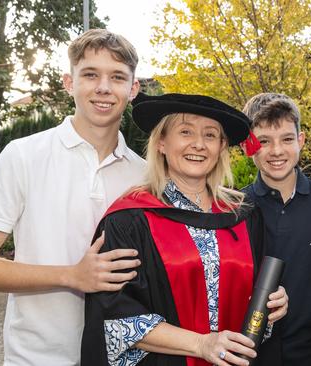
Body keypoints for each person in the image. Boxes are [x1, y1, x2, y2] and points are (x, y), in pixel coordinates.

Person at [0, 29, 145, 365]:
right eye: (90, 74)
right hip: (37, 358)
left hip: (125, 358)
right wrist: (70, 275)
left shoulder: (145, 176)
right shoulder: (23, 156)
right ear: (69, 83)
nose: (103, 87)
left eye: (117, 77)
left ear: (132, 89)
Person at [82, 92, 288, 366]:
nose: (199, 144)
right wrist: (201, 344)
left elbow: (256, 292)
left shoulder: (242, 214)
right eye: (186, 131)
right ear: (162, 143)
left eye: (211, 135)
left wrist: (273, 303)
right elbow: (116, 316)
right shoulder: (130, 219)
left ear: (222, 147)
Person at [242, 93, 311, 366]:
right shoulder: (233, 209)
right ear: (248, 146)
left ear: (301, 141)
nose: (276, 151)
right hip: (253, 356)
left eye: (287, 139)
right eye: (264, 141)